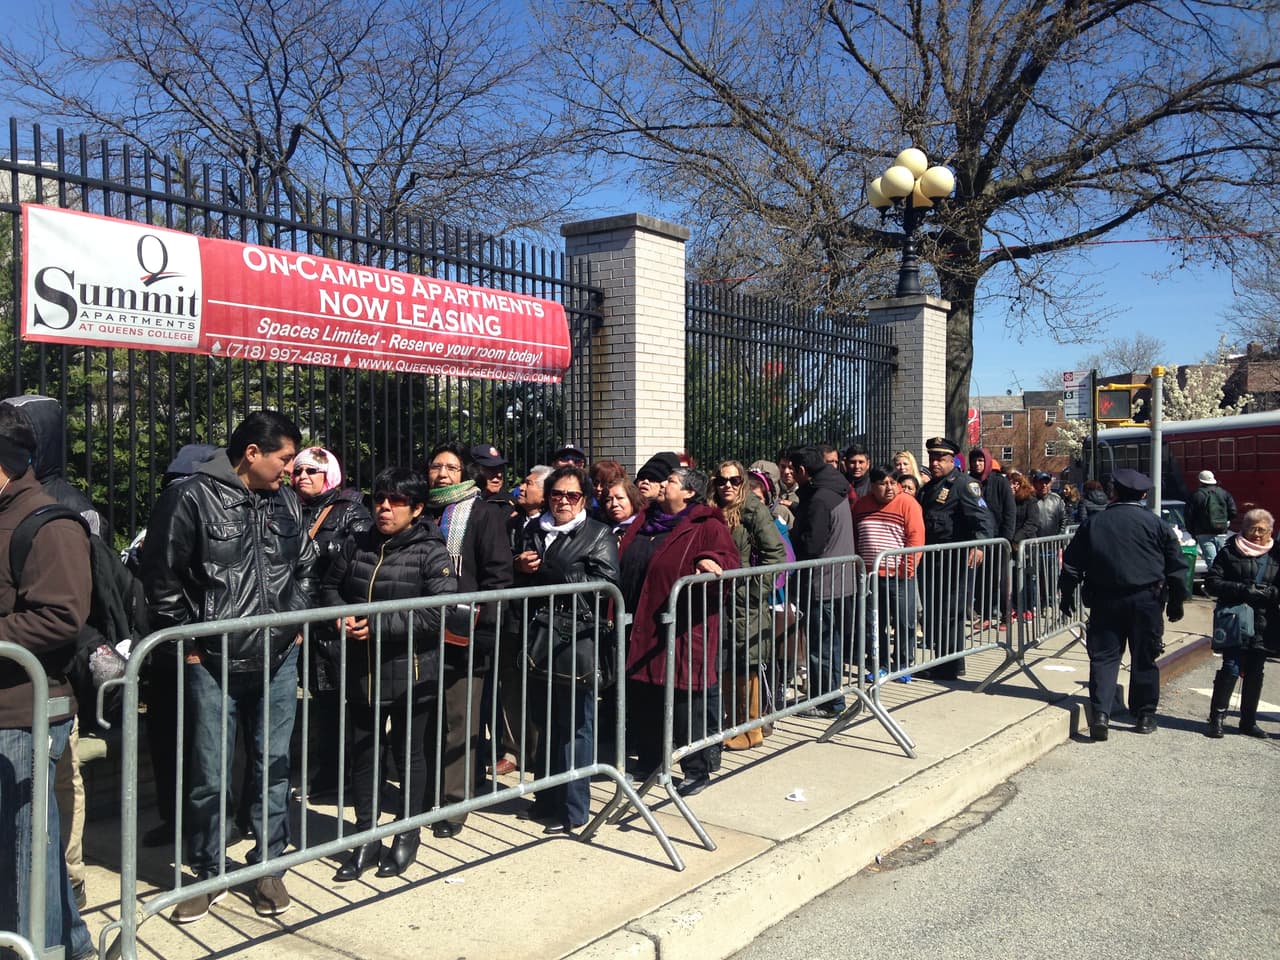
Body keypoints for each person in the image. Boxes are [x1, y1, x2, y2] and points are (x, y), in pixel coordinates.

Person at [141, 410, 317, 923]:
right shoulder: (190, 496)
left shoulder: (284, 499)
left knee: (274, 765)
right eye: (285, 458)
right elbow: (162, 576)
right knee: (209, 772)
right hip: (212, 660)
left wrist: (296, 618)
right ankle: (208, 869)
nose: (292, 468)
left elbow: (303, 562)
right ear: (252, 453)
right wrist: (190, 641)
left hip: (279, 656)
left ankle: (268, 867)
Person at [322, 466, 458, 881]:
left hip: (410, 671)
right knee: (364, 753)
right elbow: (329, 587)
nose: (384, 508)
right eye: (380, 498)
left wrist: (378, 624)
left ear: (416, 508)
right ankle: (365, 836)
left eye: (396, 501)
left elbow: (441, 611)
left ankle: (405, 834)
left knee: (407, 752)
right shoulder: (356, 542)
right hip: (360, 669)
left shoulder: (431, 551)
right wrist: (341, 618)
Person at [0, 402, 94, 960]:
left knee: (23, 857)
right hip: (9, 712)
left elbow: (61, 615)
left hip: (24, 714)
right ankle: (72, 945)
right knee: (29, 849)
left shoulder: (49, 522)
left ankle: (41, 950)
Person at [619, 466, 738, 797]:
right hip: (643, 624)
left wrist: (713, 563)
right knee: (645, 697)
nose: (663, 485)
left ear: (688, 493)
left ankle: (696, 768)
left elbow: (728, 560)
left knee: (687, 702)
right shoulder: (646, 520)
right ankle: (649, 762)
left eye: (670, 481)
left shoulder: (707, 524)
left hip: (684, 628)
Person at [514, 465, 619, 832]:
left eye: (572, 495)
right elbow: (520, 575)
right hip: (539, 635)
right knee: (544, 724)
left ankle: (574, 810)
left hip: (578, 637)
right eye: (557, 494)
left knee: (576, 725)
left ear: (584, 499)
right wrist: (521, 567)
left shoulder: (598, 533)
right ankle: (546, 799)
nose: (563, 501)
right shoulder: (532, 529)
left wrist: (556, 574)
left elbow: (607, 583)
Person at [422, 441, 514, 838]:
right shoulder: (423, 510)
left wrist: (484, 631)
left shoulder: (482, 514)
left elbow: (498, 577)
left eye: (452, 468)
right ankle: (425, 794)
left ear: (465, 474)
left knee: (460, 720)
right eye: (436, 466)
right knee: (427, 717)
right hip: (422, 631)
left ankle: (455, 803)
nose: (442, 474)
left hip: (466, 633)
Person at [1058, 468, 1188, 741]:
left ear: (1114, 492)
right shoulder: (1157, 525)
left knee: (1104, 658)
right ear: (1142, 495)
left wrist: (1066, 596)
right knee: (1144, 657)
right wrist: (1177, 601)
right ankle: (1144, 715)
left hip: (1105, 599)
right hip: (1147, 600)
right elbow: (1176, 566)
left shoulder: (1094, 523)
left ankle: (1101, 714)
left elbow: (1071, 565)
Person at [290, 446, 372, 801]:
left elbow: (358, 562)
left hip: (337, 623)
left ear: (330, 476)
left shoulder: (350, 511)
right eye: (298, 471)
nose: (302, 477)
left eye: (312, 471)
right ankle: (330, 775)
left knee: (349, 705)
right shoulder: (290, 508)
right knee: (324, 704)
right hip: (307, 623)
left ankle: (355, 776)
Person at [712, 460, 787, 750]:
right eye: (721, 480)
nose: (727, 485)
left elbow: (775, 553)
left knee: (748, 660)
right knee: (729, 660)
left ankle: (752, 727)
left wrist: (755, 591)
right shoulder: (712, 509)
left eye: (733, 480)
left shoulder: (751, 508)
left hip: (745, 597)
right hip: (720, 596)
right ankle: (734, 723)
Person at [788, 445, 857, 716]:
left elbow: (812, 544)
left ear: (803, 470)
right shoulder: (834, 490)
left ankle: (828, 702)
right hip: (836, 580)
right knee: (830, 644)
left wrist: (792, 539)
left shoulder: (819, 499)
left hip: (822, 583)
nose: (791, 473)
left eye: (793, 469)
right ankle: (829, 698)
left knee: (821, 647)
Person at [918, 437, 994, 680]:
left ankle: (950, 664)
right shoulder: (930, 487)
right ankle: (945, 660)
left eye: (941, 458)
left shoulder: (964, 485)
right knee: (936, 612)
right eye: (932, 458)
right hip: (935, 559)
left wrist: (979, 544)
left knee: (951, 612)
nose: (935, 462)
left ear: (953, 460)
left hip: (956, 560)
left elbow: (982, 518)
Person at [1203, 508, 1277, 739]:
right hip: (1235, 618)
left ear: (1270, 531)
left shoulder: (1277, 555)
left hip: (1265, 621)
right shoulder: (1228, 552)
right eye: (1252, 529)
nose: (1256, 534)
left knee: (1256, 671)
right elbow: (1212, 583)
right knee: (1231, 667)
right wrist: (1243, 590)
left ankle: (1248, 721)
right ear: (1243, 529)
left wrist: (1271, 593)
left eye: (1262, 530)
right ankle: (1217, 718)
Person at [851, 467, 925, 680]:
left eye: (893, 482)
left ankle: (902, 662)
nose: (890, 488)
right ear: (873, 486)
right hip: (871, 575)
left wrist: (906, 569)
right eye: (883, 484)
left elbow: (915, 538)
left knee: (904, 621)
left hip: (899, 574)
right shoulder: (862, 505)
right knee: (876, 622)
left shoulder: (908, 504)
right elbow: (856, 536)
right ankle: (880, 663)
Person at [969, 448, 1015, 628]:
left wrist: (1007, 538)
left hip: (999, 540)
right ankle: (985, 614)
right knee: (982, 580)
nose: (977, 464)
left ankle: (1006, 615)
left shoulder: (999, 482)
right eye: (974, 461)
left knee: (1002, 580)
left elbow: (1009, 512)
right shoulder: (970, 482)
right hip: (980, 540)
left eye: (981, 460)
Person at [1186, 469, 1237, 569]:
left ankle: (1215, 581)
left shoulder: (1196, 495)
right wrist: (1224, 521)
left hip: (1203, 533)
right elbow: (1233, 512)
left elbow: (1189, 516)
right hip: (1222, 532)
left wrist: (1193, 532)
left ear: (1200, 481)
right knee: (1225, 559)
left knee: (1212, 562)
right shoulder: (1224, 493)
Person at [509, 464, 553, 552]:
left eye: (528, 484)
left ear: (544, 494)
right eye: (523, 483)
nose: (521, 488)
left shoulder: (552, 526)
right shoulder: (513, 521)